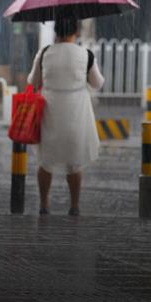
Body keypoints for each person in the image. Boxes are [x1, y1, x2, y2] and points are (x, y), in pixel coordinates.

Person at [27, 17, 104, 216]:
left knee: (46, 161)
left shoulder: (44, 53)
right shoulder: (85, 55)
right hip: (76, 112)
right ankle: (75, 206)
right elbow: (97, 83)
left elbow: (32, 81)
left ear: (56, 31)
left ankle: (44, 204)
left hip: (49, 111)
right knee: (74, 162)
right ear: (76, 32)